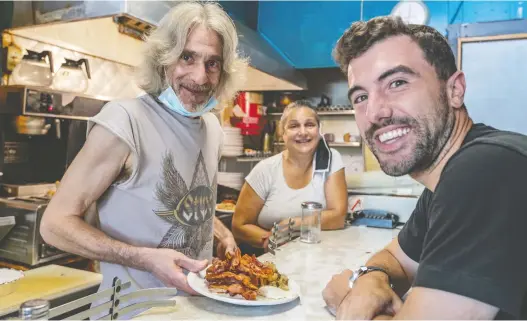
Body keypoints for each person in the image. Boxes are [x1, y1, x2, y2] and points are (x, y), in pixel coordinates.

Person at [322, 16, 527, 320]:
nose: (376, 111)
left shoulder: (485, 168)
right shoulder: (442, 182)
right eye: (361, 96)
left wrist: (348, 303)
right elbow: (394, 258)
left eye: (397, 83)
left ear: (454, 89)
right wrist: (369, 280)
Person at [40, 1, 246, 301]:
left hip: (196, 309)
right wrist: (143, 258)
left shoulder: (212, 128)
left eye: (212, 63)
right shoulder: (124, 121)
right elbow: (54, 224)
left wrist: (220, 232)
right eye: (187, 57)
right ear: (164, 58)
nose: (200, 77)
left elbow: (180, 205)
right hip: (130, 312)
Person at [232, 101, 348, 254]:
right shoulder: (265, 170)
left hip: (318, 255)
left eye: (309, 125)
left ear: (319, 131)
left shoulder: (330, 159)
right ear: (283, 134)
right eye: (294, 126)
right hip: (271, 259)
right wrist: (273, 239)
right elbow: (239, 226)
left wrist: (292, 224)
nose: (303, 132)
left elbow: (338, 216)